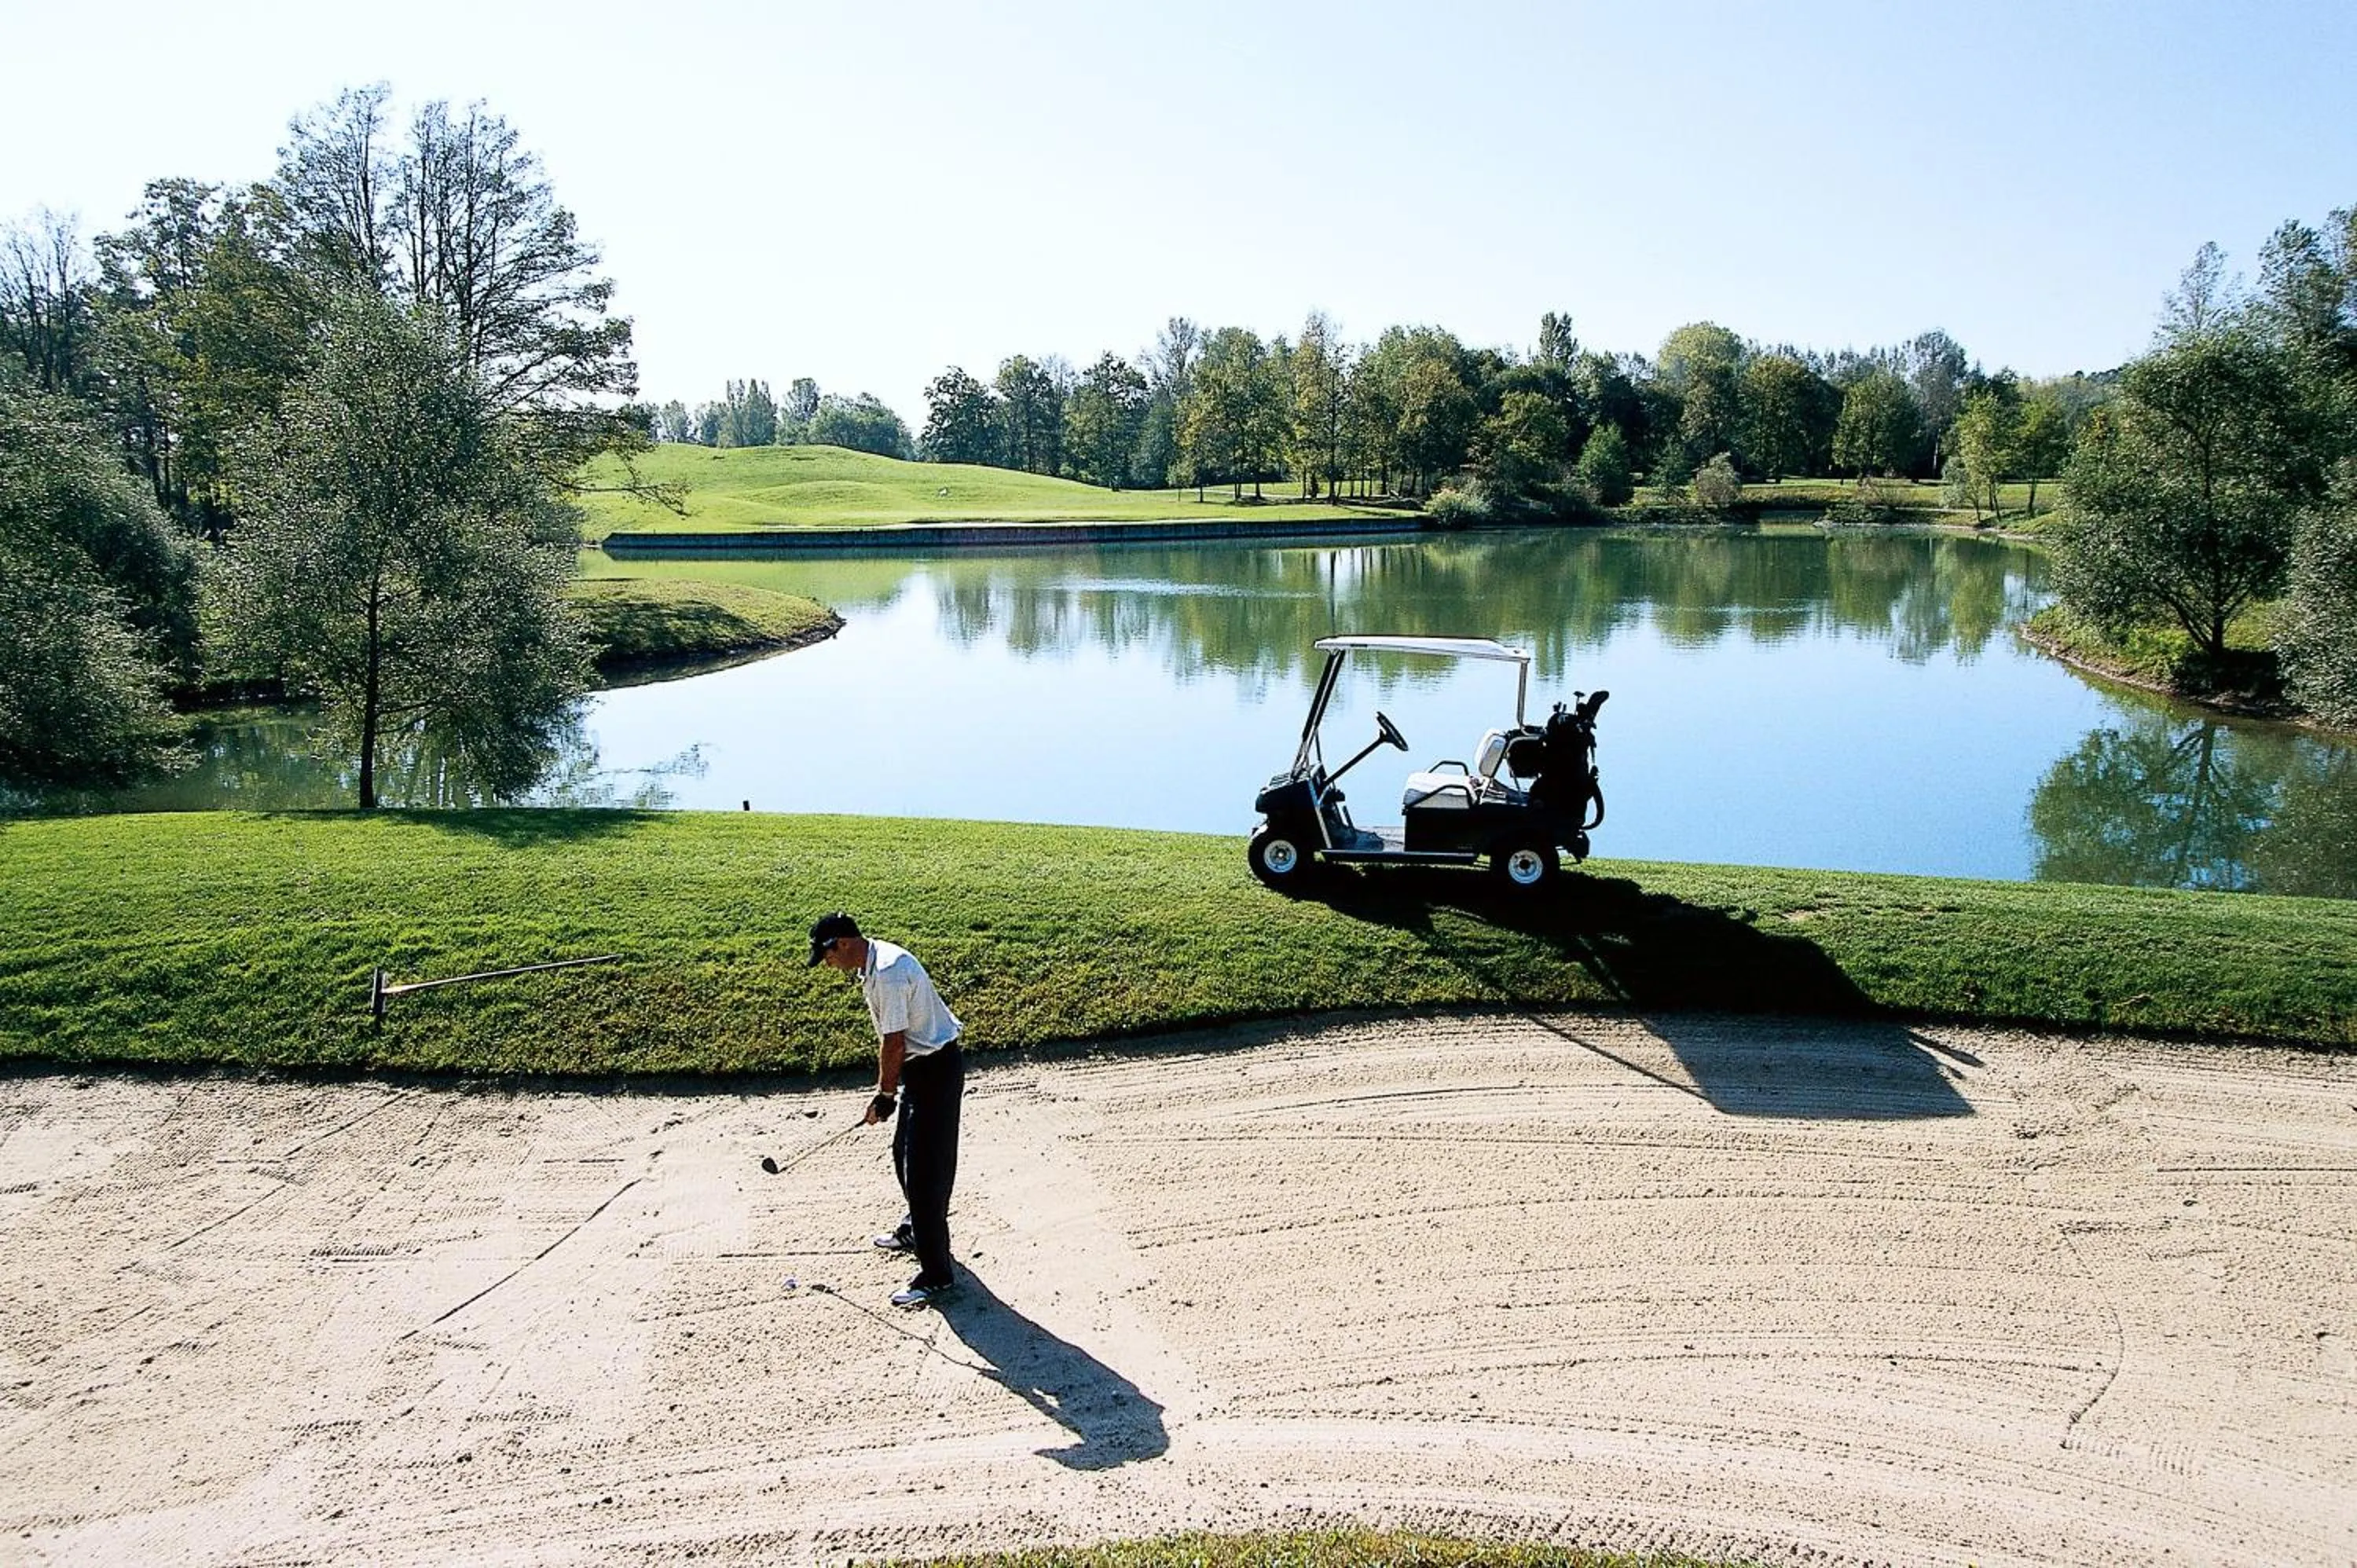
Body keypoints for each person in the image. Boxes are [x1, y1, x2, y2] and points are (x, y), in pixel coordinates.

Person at [807, 911, 965, 1309]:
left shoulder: (890, 972)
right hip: (921, 1070)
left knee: (925, 1174)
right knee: (903, 1155)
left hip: (935, 1070)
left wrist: (885, 1096)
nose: (827, 964)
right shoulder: (873, 964)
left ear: (841, 944)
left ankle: (936, 1275)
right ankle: (916, 1229)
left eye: (826, 956)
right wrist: (892, 1092)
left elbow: (893, 1042)